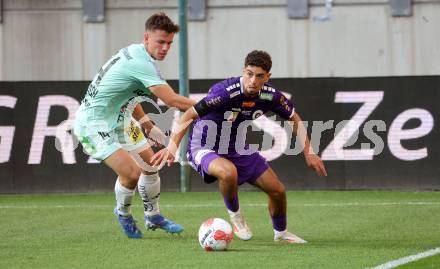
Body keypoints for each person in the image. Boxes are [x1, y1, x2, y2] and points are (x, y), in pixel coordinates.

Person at [151, 50, 327, 243]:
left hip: (236, 146)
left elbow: (294, 117)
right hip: (203, 145)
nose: (253, 81)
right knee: (228, 173)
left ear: (268, 77)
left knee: (277, 190)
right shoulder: (225, 92)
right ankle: (237, 219)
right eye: (249, 74)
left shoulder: (271, 97)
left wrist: (309, 152)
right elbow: (187, 116)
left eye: (259, 76)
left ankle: (281, 234)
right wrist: (172, 148)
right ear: (243, 71)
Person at [73, 12, 195, 239]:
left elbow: (128, 93)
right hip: (93, 124)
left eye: (169, 43)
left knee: (150, 165)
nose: (165, 48)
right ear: (146, 38)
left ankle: (153, 216)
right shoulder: (141, 62)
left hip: (121, 119)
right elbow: (172, 101)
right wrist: (213, 104)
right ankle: (123, 213)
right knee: (131, 173)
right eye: (161, 42)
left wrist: (145, 122)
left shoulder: (137, 53)